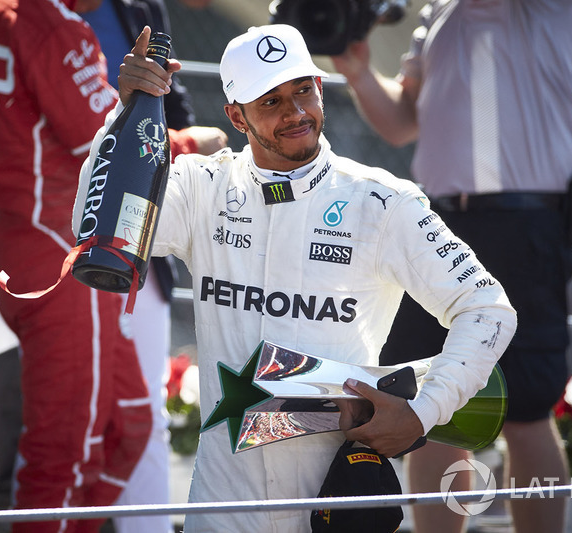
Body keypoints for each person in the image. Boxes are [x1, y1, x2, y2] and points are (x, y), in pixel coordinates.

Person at [74, 23, 517, 532]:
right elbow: (92, 220)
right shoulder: (202, 187)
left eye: (302, 90)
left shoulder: (382, 202)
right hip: (219, 508)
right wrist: (126, 110)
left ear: (320, 88)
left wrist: (424, 412)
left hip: (334, 503)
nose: (295, 113)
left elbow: (487, 309)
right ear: (236, 116)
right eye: (271, 101)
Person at [0, 1, 219, 531]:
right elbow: (101, 146)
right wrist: (194, 144)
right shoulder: (56, 29)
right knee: (65, 452)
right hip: (61, 257)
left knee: (128, 424)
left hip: (19, 241)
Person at [330, 1, 572, 531]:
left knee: (527, 411)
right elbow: (403, 123)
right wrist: (357, 72)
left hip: (526, 222)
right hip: (444, 221)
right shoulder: (439, 13)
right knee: (434, 408)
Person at [81, 2, 224, 532]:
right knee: (69, 427)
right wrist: (186, 142)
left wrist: (182, 145)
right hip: (58, 245)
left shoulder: (141, 8)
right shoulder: (27, 16)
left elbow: (172, 111)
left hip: (137, 245)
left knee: (142, 421)